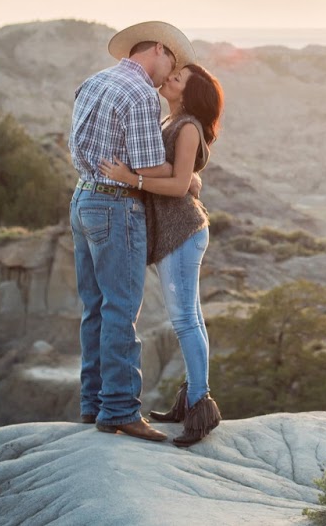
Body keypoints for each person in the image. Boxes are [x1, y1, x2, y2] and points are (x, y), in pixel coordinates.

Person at [68, 20, 195, 442]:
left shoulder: (94, 81)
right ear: (158, 49)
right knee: (121, 309)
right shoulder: (140, 94)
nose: (168, 77)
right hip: (116, 205)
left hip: (83, 198)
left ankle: (93, 404)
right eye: (171, 63)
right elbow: (146, 166)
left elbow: (77, 146)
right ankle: (120, 410)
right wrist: (185, 175)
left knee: (95, 308)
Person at [98, 61, 225, 447]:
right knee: (191, 318)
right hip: (177, 234)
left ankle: (200, 407)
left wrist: (130, 179)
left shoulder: (187, 126)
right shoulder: (173, 121)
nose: (169, 79)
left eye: (178, 79)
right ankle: (190, 401)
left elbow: (179, 186)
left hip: (182, 233)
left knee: (185, 320)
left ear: (190, 92)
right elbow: (188, 178)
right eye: (172, 75)